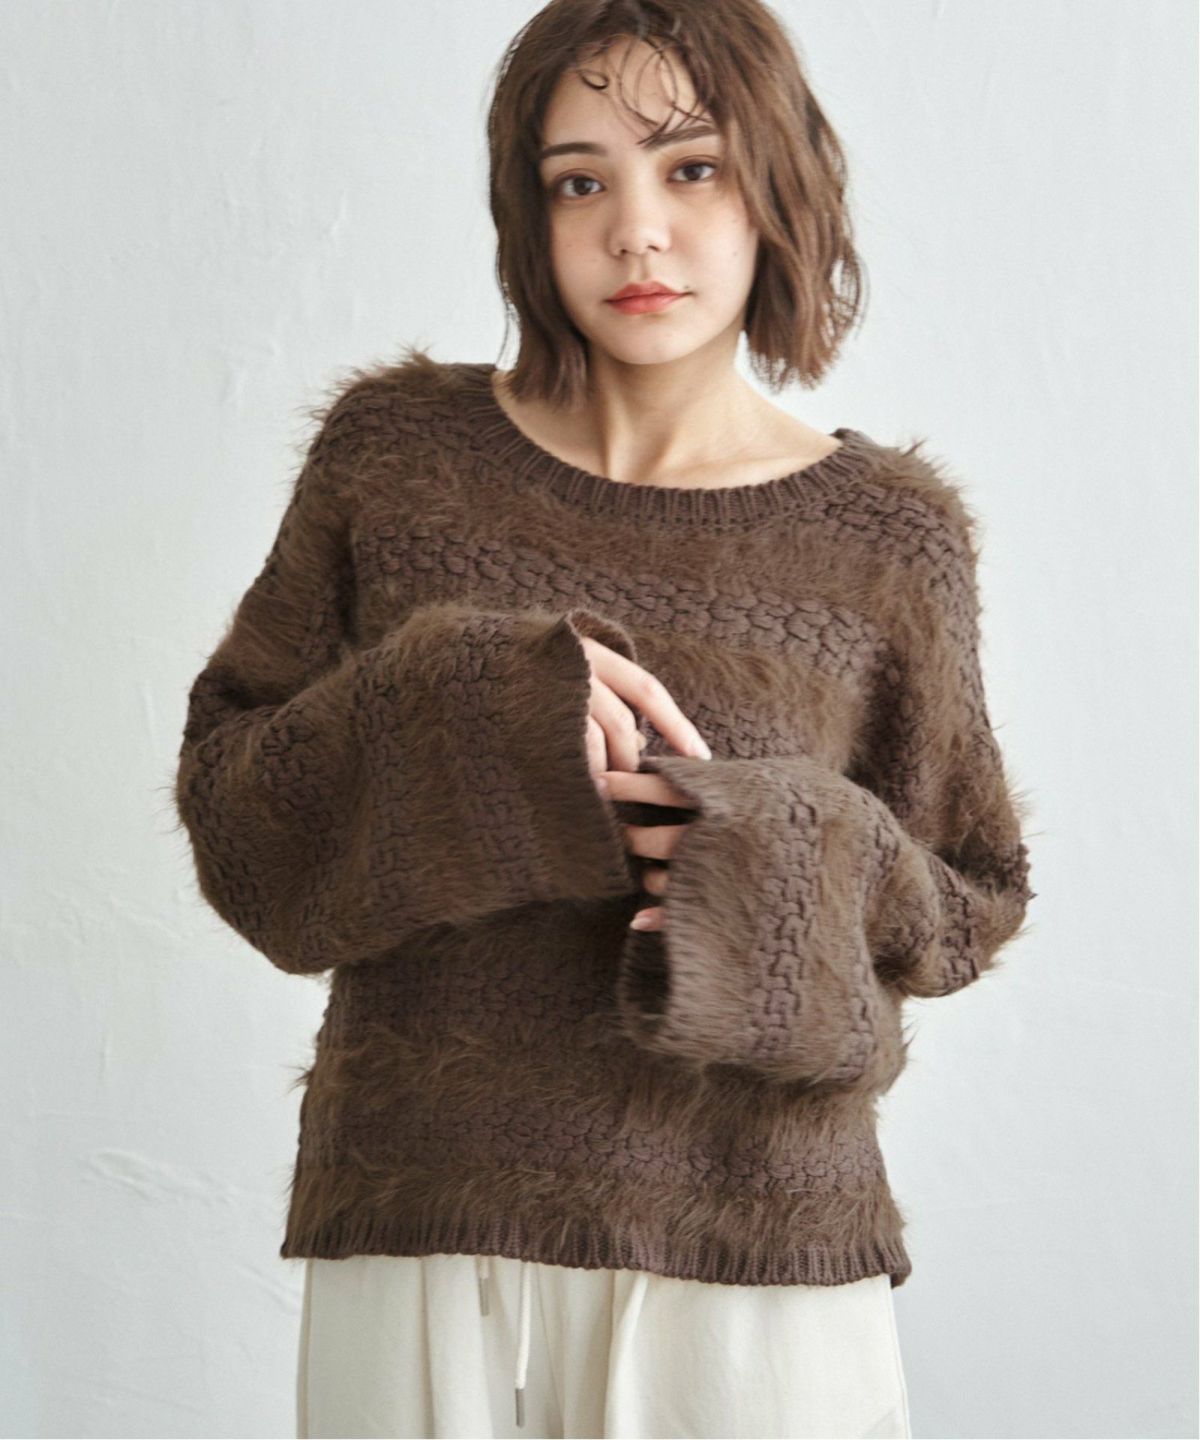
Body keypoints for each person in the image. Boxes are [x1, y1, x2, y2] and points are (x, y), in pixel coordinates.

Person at [173, 2, 1035, 1437]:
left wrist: (773, 849)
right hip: (427, 1223)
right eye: (580, 181)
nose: (637, 230)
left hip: (759, 1250)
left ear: (777, 186)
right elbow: (243, 838)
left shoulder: (890, 538)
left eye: (691, 167)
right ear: (531, 216)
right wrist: (468, 709)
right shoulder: (393, 460)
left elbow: (967, 903)